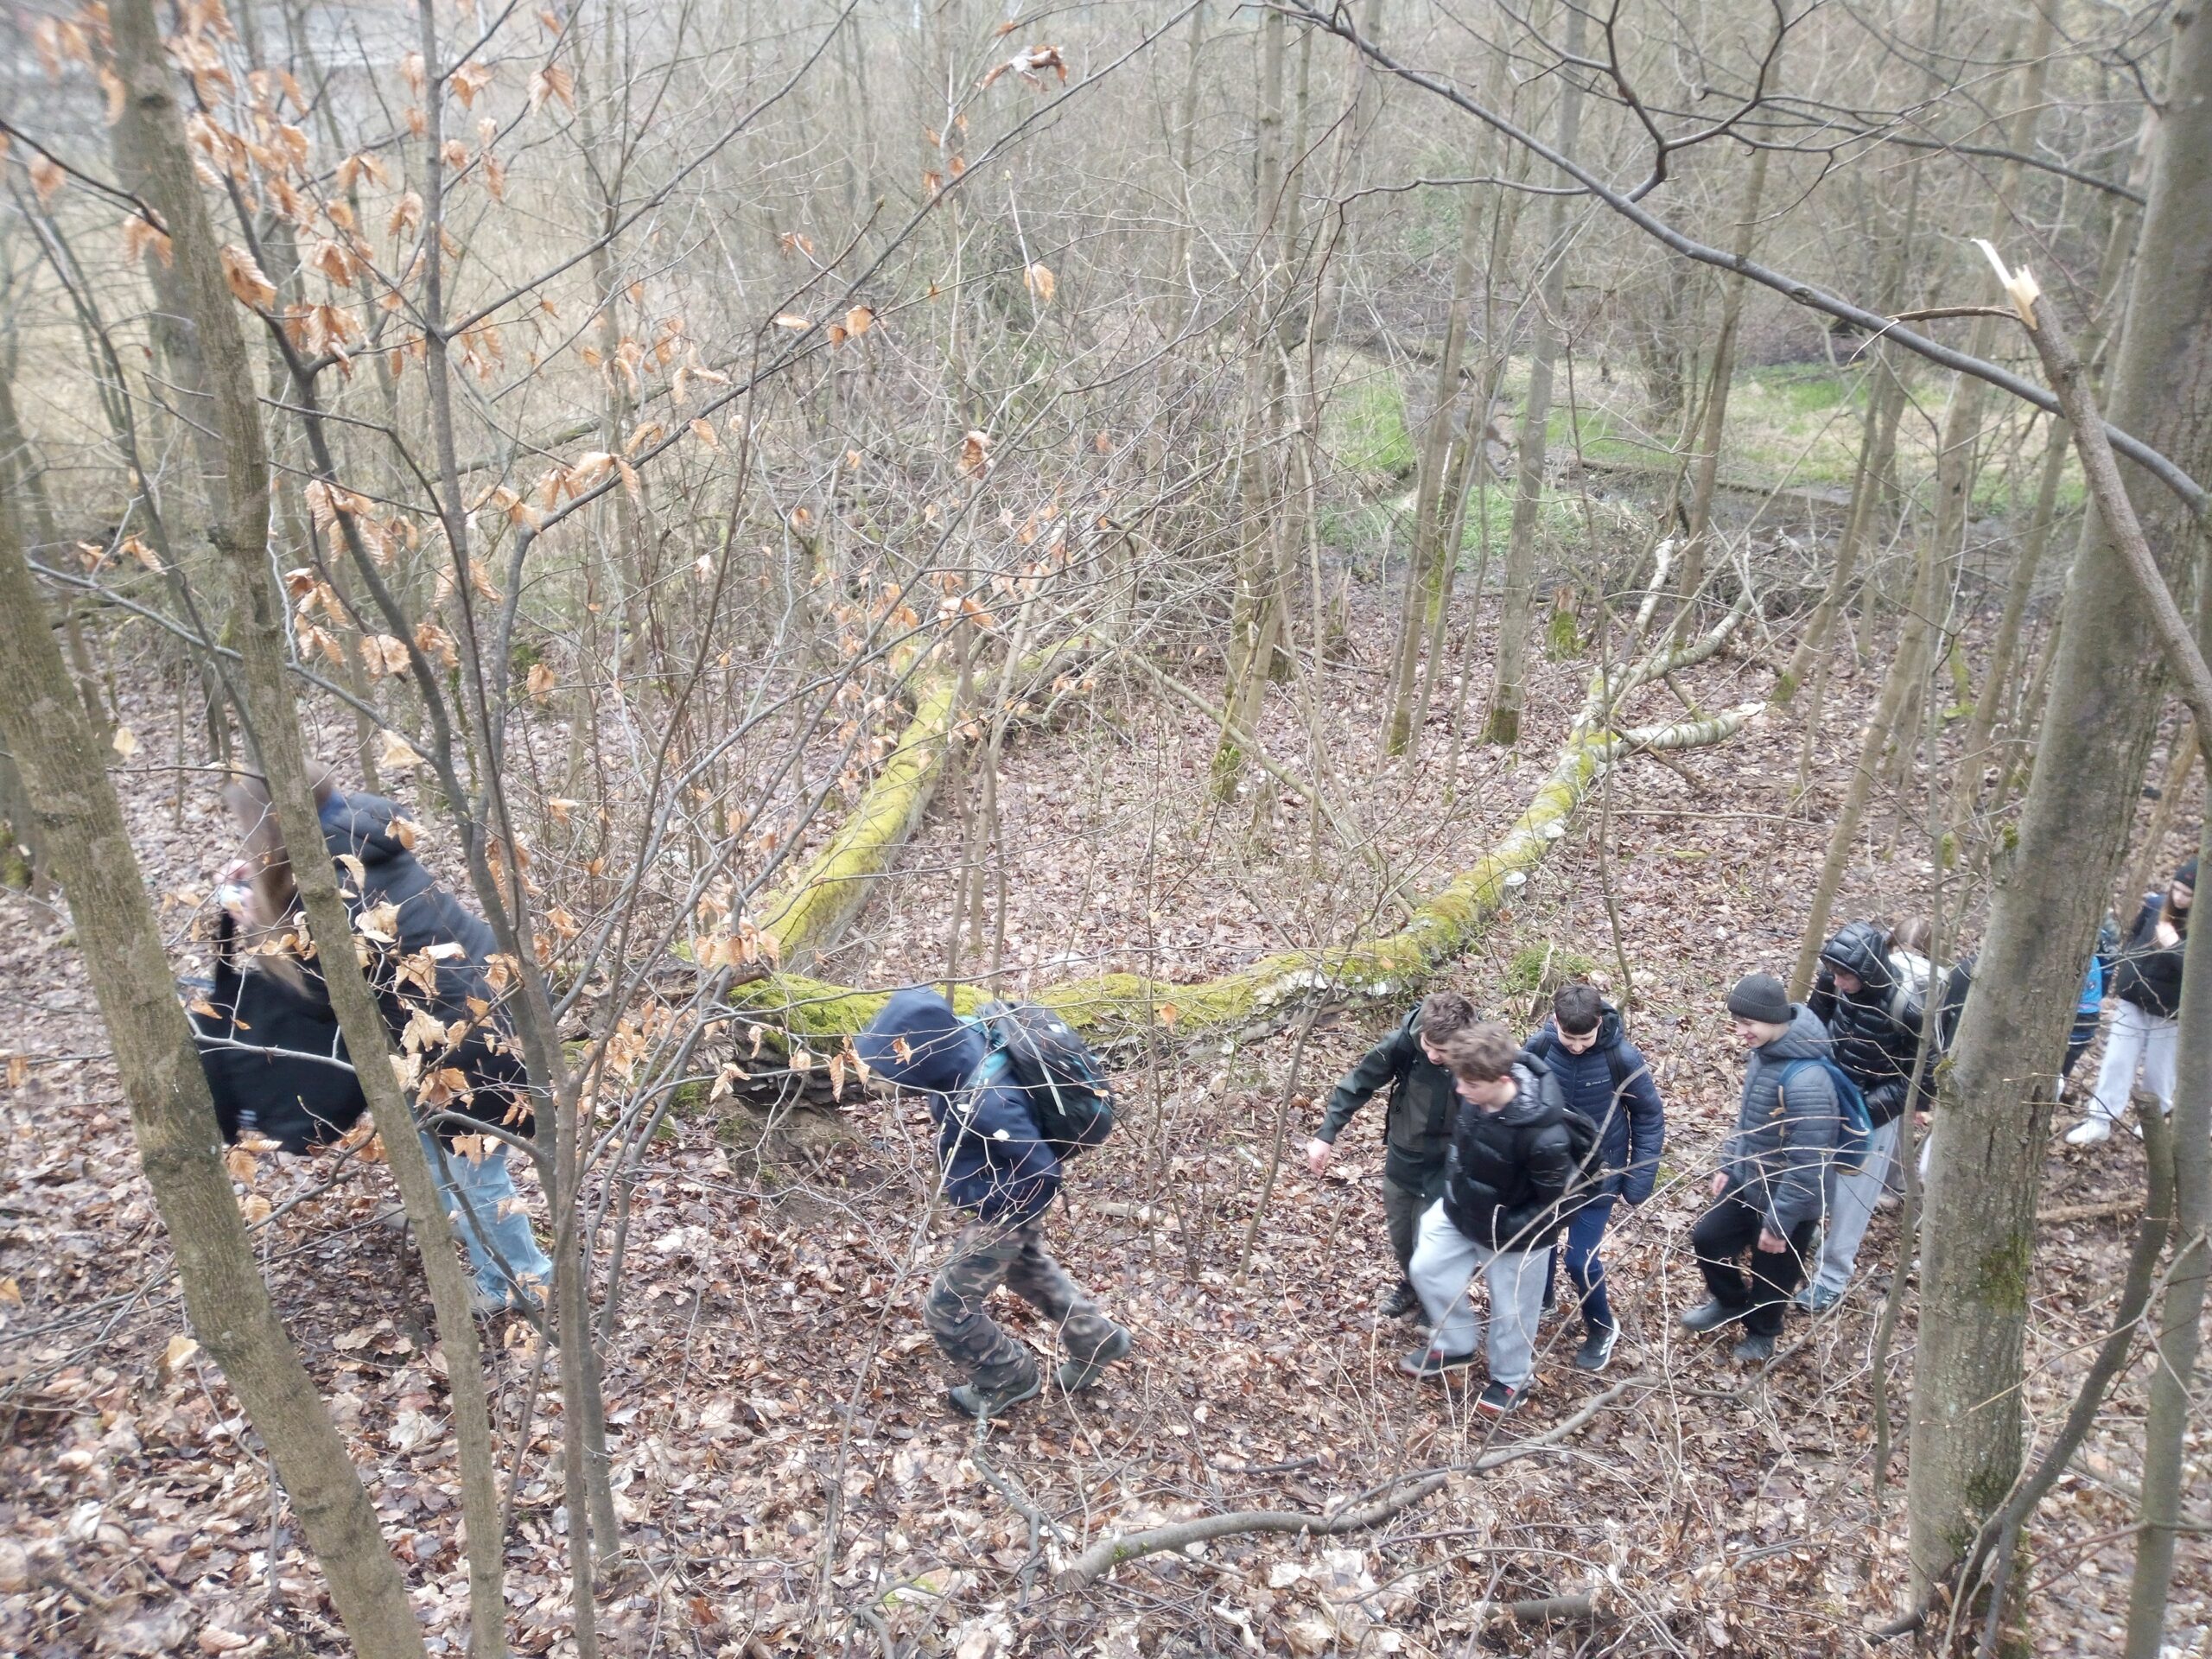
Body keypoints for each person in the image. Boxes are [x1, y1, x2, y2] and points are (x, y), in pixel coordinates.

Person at [193, 773, 554, 1318]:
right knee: (429, 1137)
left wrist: (259, 921)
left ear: (270, 826)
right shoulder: (353, 829)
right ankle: (447, 1214)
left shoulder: (331, 885)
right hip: (467, 1011)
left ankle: (519, 1283)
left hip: (469, 1038)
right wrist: (265, 886)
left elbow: (321, 995)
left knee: (476, 1170)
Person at [857, 988, 1130, 1418]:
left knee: (948, 1307)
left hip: (1009, 1206)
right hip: (1006, 1195)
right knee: (1027, 1270)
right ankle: (1096, 1338)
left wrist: (996, 1216)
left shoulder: (989, 1102)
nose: (883, 1077)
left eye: (893, 1065)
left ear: (923, 1057)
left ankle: (1007, 1377)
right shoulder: (962, 1043)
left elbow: (1041, 1171)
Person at [1401, 1022, 1573, 1420]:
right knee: (1426, 1268)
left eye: (1470, 1085)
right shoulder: (1473, 1093)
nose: (1460, 1090)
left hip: (1518, 1234)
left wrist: (1509, 1228)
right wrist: (1455, 1193)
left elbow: (1558, 1204)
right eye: (1459, 1080)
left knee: (1513, 1311)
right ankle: (1456, 1344)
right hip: (1461, 1209)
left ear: (1501, 1081)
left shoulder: (1545, 1136)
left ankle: (1512, 1379)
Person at [1682, 973, 1840, 1363]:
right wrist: (1729, 1163)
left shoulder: (1808, 1081)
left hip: (1792, 1199)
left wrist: (1779, 1223)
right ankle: (1731, 1301)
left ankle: (1762, 1333)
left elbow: (1808, 1163)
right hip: (1751, 1178)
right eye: (1737, 1022)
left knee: (1773, 1273)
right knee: (1708, 1239)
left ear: (1773, 1019)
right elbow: (1747, 1120)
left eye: (1747, 1023)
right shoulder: (1764, 1054)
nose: (1740, 1032)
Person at [1307, 991, 1480, 1319]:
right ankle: (1413, 1285)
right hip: (1405, 1157)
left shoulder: (1480, 1057)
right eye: (1428, 1045)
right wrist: (1326, 1134)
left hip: (1450, 1164)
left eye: (1443, 1051)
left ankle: (1436, 1303)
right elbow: (1359, 1083)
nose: (1433, 1055)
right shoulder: (1404, 1044)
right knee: (1402, 1237)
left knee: (1435, 1243)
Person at [1520, 983, 1663, 1370]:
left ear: (1600, 1022)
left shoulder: (1622, 1057)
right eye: (1570, 1038)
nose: (1577, 1046)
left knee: (1580, 1261)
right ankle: (1543, 1301)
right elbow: (1520, 1099)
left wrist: (1638, 1178)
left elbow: (1649, 1115)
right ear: (1555, 1021)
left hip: (1600, 1177)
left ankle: (1602, 1327)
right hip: (1549, 1173)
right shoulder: (1540, 1047)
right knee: (1539, 1244)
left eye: (1585, 1038)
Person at [1798, 922, 1929, 1313]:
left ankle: (1832, 1277)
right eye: (1834, 974)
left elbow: (1919, 1078)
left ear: (1869, 972)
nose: (1838, 983)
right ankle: (1806, 1232)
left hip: (1876, 1110)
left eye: (1846, 977)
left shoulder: (1908, 1006)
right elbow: (1812, 1024)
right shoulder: (1833, 979)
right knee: (1810, 1169)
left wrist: (1865, 1110)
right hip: (1828, 1094)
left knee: (1853, 1196)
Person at [2067, 859, 2194, 1146]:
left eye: (2188, 894)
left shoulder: (2202, 928)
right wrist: (2126, 974)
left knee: (2160, 1072)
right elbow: (2134, 937)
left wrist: (2174, 946)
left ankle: (2152, 1125)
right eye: (2176, 890)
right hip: (2133, 999)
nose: (2179, 898)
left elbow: (2199, 973)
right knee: (2116, 1061)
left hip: (2169, 1011)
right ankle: (2100, 1120)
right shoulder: (2155, 906)